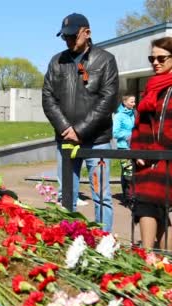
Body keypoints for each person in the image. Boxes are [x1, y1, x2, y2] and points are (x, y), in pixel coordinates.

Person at [42, 13, 119, 232]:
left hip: (97, 141)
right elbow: (48, 97)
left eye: (72, 36)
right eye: (64, 37)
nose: (68, 41)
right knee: (65, 195)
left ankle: (104, 243)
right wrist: (66, 129)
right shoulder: (56, 61)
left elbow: (108, 100)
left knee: (102, 196)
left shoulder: (105, 60)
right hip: (66, 140)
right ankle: (67, 241)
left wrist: (80, 130)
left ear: (87, 33)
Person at [131, 37, 172, 250]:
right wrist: (137, 150)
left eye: (161, 58)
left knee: (148, 204)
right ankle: (162, 263)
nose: (155, 62)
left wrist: (154, 153)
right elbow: (139, 126)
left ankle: (148, 258)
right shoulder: (151, 87)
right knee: (156, 210)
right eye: (152, 58)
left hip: (165, 159)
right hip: (147, 159)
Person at [112, 95, 136, 205]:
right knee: (128, 173)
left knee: (130, 172)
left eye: (134, 102)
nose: (134, 104)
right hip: (124, 148)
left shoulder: (134, 113)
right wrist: (129, 135)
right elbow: (115, 133)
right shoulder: (119, 115)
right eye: (131, 102)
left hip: (134, 148)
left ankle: (130, 196)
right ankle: (128, 199)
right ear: (125, 102)